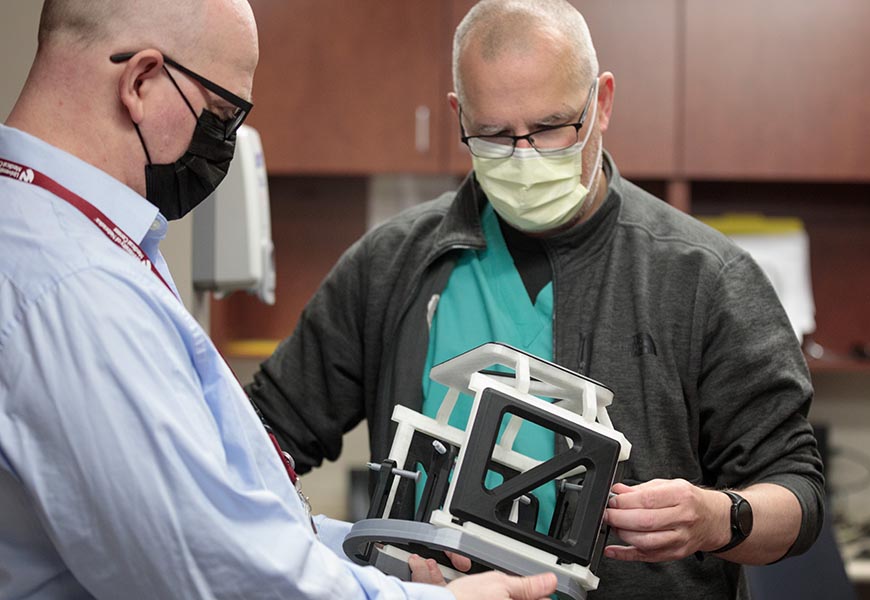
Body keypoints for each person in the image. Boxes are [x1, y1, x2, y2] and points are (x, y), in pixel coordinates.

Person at [245, 0, 826, 598]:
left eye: (551, 128)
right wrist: (324, 558)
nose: (524, 157)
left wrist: (716, 518)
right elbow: (258, 436)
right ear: (458, 115)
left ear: (600, 102)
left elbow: (797, 495)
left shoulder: (704, 278)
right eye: (494, 135)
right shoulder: (389, 267)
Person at [0, 1, 559, 599]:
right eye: (221, 115)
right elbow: (216, 572)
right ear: (140, 81)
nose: (224, 144)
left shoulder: (66, 238)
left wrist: (360, 551)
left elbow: (218, 513)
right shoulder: (75, 290)